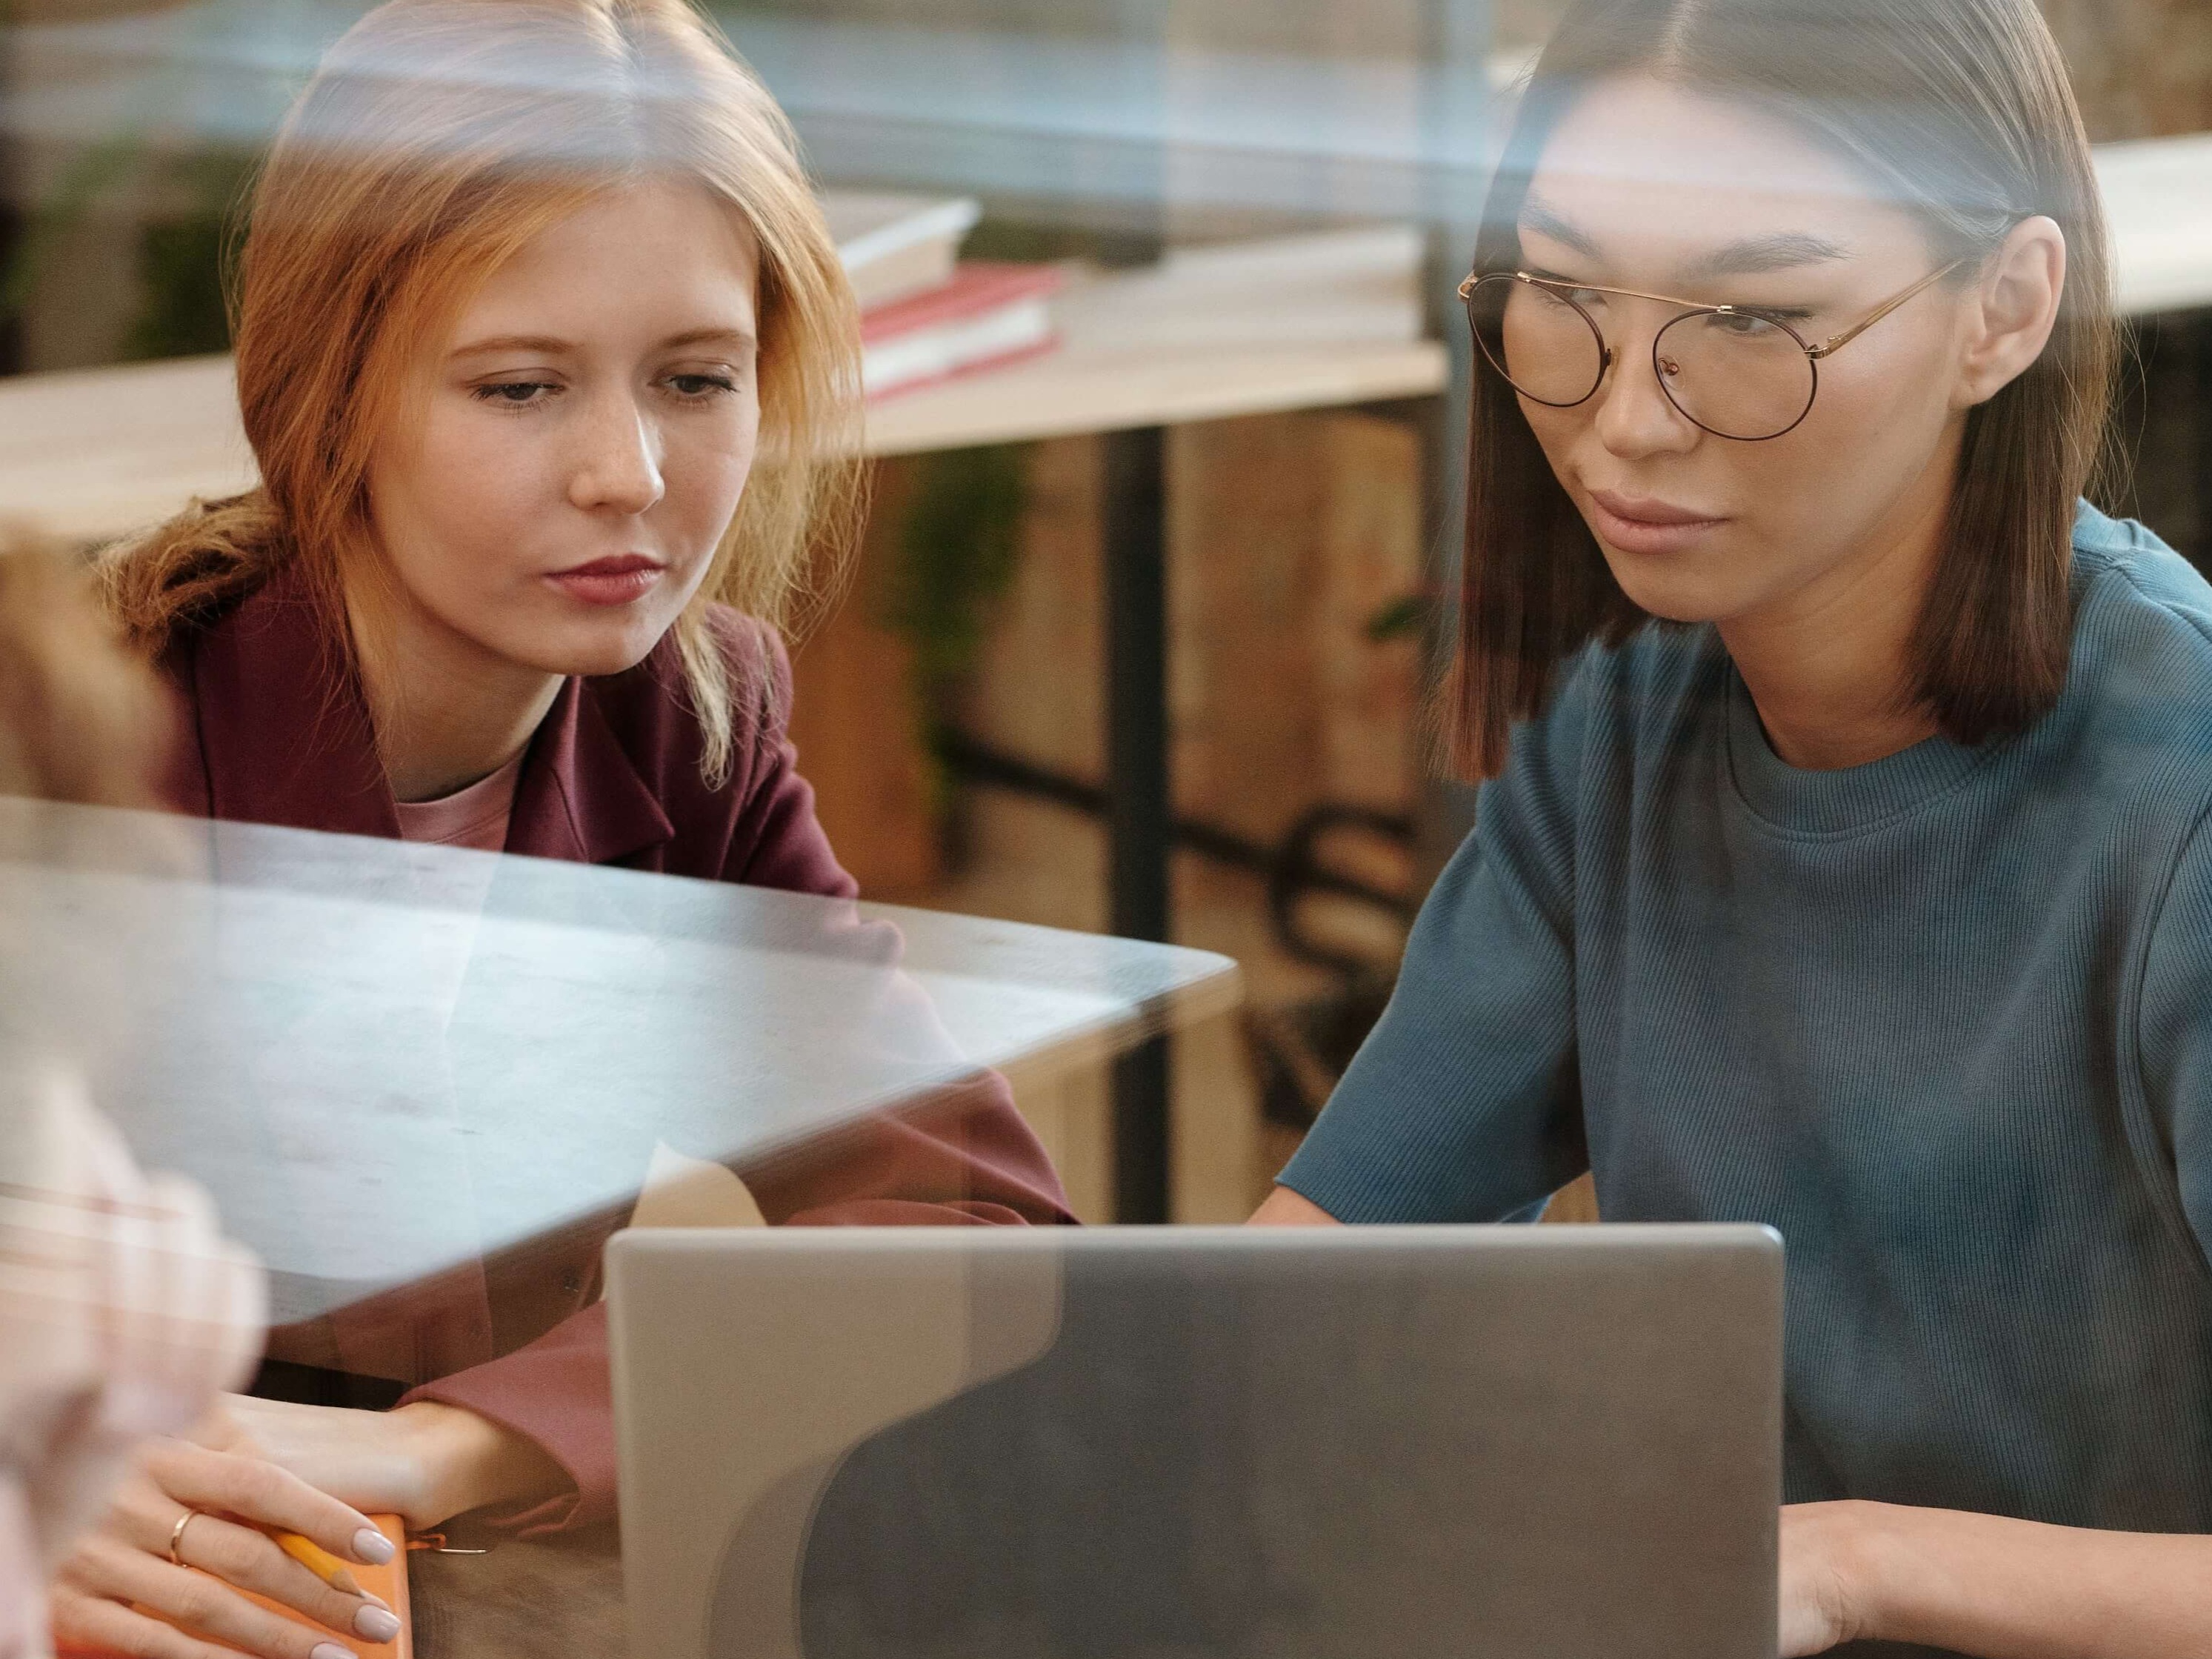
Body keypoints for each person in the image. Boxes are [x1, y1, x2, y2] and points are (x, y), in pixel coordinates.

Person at [59, 0, 1074, 1652]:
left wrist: (438, 1446)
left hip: (400, 1582)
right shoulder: (90, 742)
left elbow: (971, 1230)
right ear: (332, 395)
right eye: (520, 387)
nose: (628, 473)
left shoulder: (692, 723)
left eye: (696, 378)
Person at [1251, 0, 2212, 1655]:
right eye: (1562, 303)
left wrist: (1841, 1563)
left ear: (2003, 308)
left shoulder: (2177, 798)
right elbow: (1309, 1274)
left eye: (1749, 320)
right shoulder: (1625, 725)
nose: (1625, 416)